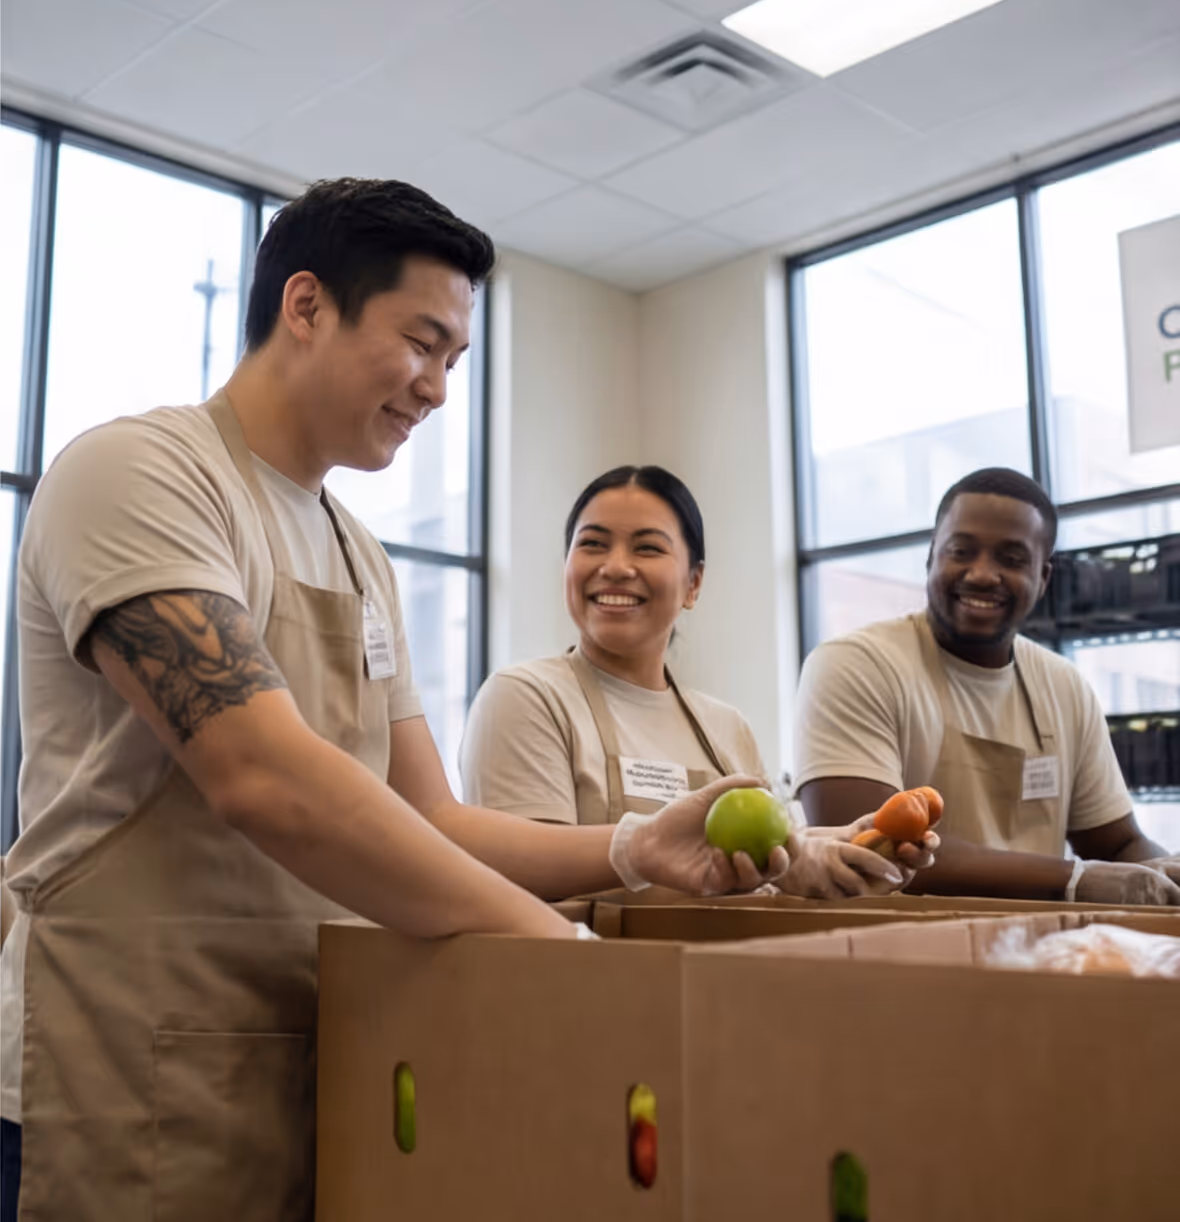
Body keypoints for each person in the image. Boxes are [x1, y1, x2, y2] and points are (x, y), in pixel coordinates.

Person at [0, 179, 800, 1222]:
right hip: (125, 1063)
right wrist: (563, 952)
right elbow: (263, 775)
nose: (436, 388)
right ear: (306, 305)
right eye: (422, 342)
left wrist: (630, 848)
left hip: (321, 1055)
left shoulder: (360, 555)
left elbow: (432, 819)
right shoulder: (142, 475)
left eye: (455, 361)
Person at [461, 465, 933, 890]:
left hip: (718, 976)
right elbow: (521, 877)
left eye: (647, 547)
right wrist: (641, 849)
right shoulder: (526, 698)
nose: (616, 567)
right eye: (592, 544)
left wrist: (842, 843)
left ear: (694, 583)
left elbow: (770, 859)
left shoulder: (726, 726)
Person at [794, 467, 1180, 905]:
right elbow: (867, 849)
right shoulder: (856, 665)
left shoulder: (1063, 685)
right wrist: (1074, 879)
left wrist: (1161, 870)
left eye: (1012, 559)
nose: (981, 574)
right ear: (931, 557)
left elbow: (1118, 845)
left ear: (1043, 579)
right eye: (961, 551)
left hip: (1039, 955)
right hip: (894, 955)